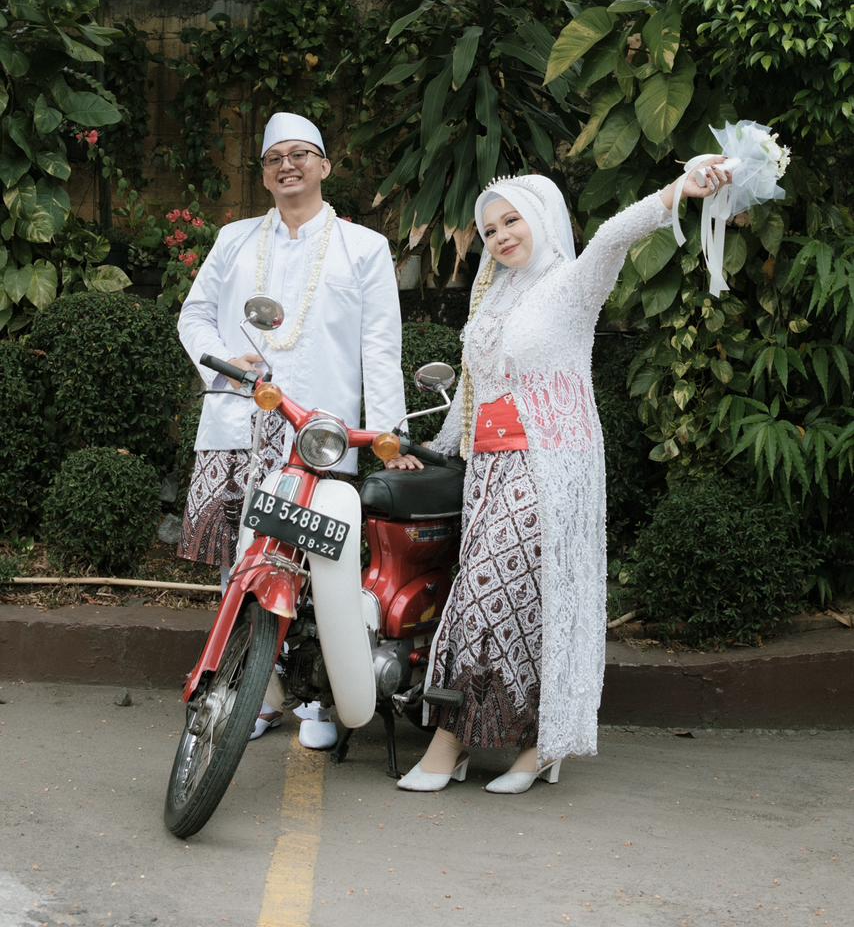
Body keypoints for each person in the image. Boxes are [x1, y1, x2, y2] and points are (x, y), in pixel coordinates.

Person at [397, 160, 732, 793]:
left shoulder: (573, 283)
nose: (501, 236)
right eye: (490, 229)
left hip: (548, 465)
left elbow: (613, 236)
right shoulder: (493, 297)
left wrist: (676, 191)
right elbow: (475, 386)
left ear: (542, 219)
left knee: (488, 595)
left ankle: (454, 742)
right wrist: (430, 448)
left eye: (512, 220)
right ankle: (528, 743)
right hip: (489, 470)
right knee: (511, 601)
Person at [177, 111, 418, 749]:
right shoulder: (233, 240)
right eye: (274, 158)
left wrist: (388, 435)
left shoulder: (362, 247)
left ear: (324, 166)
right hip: (237, 424)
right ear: (264, 173)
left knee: (318, 568)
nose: (287, 166)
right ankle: (255, 698)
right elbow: (193, 314)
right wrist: (223, 361)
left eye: (300, 154)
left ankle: (318, 700)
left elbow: (380, 347)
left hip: (318, 437)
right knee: (239, 565)